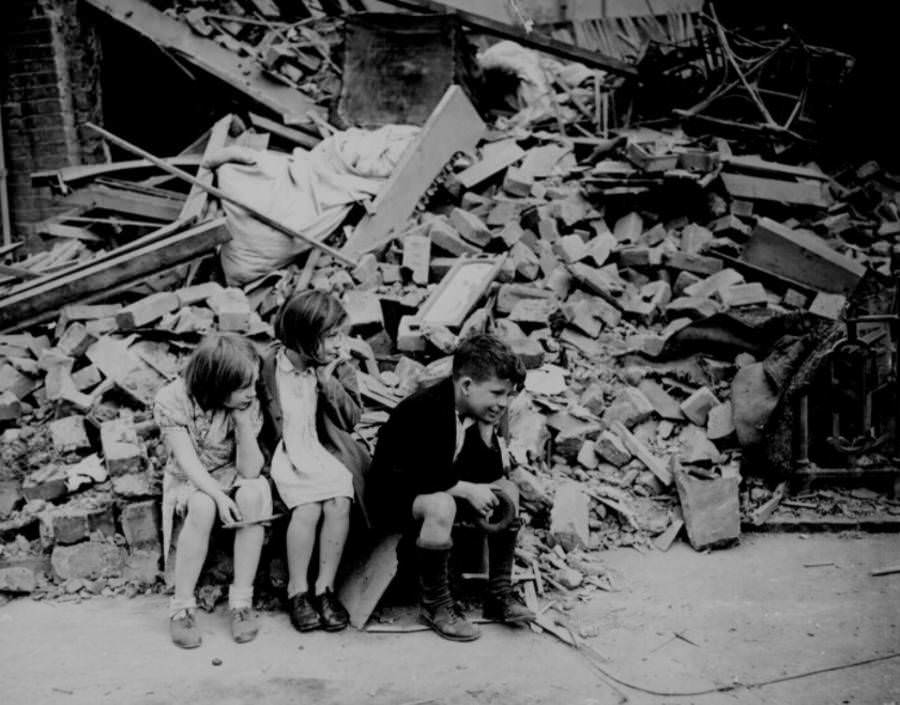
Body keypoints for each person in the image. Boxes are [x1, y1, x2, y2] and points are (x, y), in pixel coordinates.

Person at [367, 333, 535, 642]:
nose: (504, 403)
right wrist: (466, 490)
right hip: (394, 497)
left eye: (509, 395)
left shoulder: (478, 410)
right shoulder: (423, 410)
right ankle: (436, 605)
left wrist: (486, 433)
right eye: (498, 393)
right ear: (467, 385)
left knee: (507, 490)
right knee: (442, 504)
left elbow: (489, 472)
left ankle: (498, 592)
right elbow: (412, 475)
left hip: (438, 486)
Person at [258, 290, 370, 633]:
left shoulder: (339, 367)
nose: (340, 344)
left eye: (342, 335)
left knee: (338, 499)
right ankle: (298, 591)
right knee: (307, 508)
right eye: (331, 336)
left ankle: (325, 588)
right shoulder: (266, 367)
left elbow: (352, 419)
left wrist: (328, 382)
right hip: (284, 452)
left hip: (321, 449)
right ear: (304, 336)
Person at [154, 334, 272, 649]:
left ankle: (241, 602)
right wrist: (219, 496)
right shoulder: (172, 399)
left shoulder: (246, 403)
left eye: (253, 385)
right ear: (216, 384)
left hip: (231, 471)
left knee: (252, 495)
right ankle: (181, 607)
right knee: (204, 505)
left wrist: (243, 423)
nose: (251, 393)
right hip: (190, 477)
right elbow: (188, 462)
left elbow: (250, 470)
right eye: (242, 387)